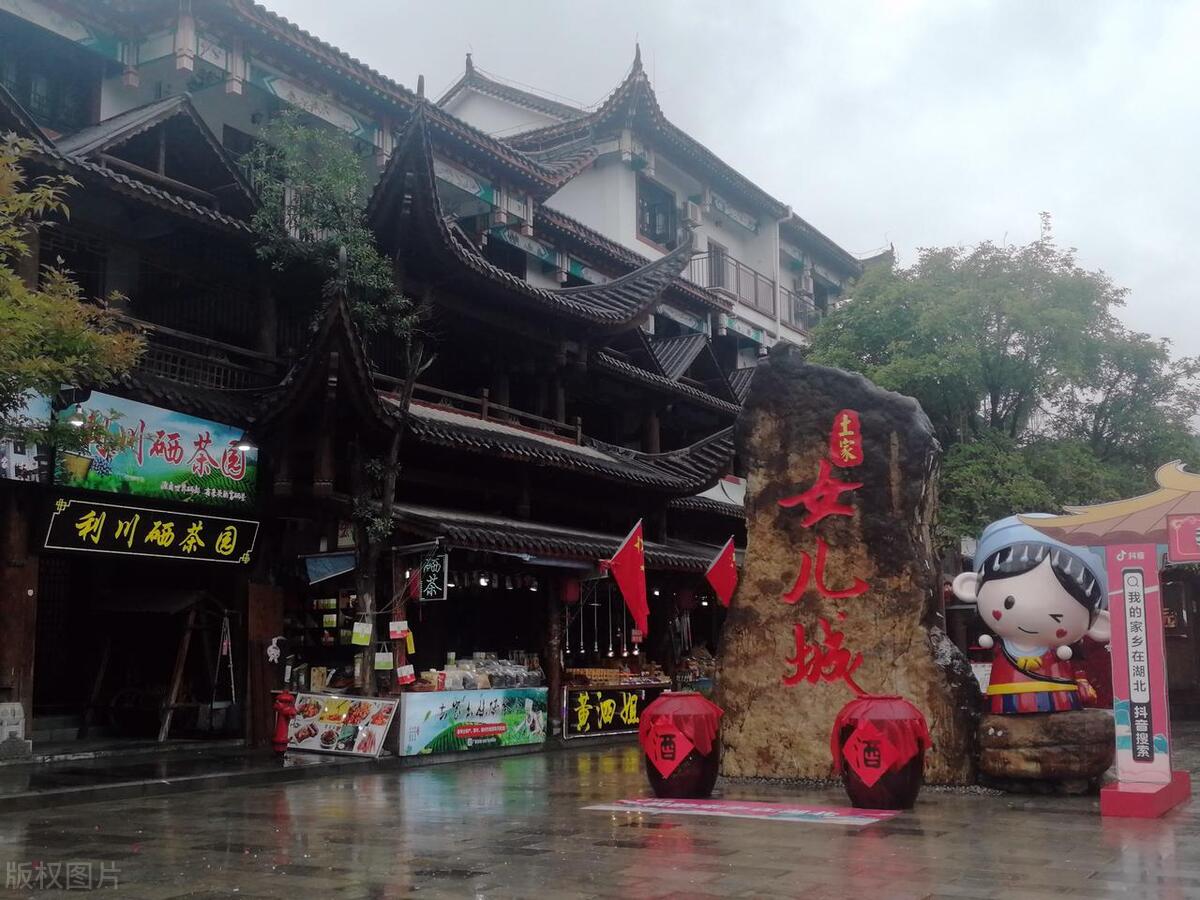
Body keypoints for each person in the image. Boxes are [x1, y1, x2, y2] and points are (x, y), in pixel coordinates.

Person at [952, 516, 1110, 714]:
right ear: (968, 586)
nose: (1031, 610)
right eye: (1009, 603)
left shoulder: (1057, 653)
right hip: (1006, 689)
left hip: (1057, 694)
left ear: (1099, 625)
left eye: (1057, 617)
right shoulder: (1003, 646)